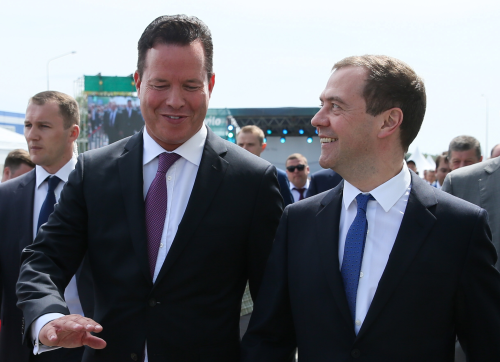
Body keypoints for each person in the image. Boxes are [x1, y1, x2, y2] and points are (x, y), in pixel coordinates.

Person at [16, 15, 282, 362]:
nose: (175, 101)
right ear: (138, 82)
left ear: (210, 84)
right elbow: (43, 259)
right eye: (160, 84)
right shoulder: (94, 172)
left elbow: (274, 308)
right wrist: (48, 318)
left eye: (190, 85)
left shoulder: (253, 181)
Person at [241, 55, 500, 361]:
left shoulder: (459, 227)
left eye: (335, 106)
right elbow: (268, 341)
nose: (317, 119)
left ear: (389, 121)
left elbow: (488, 346)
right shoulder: (299, 221)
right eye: (322, 103)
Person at [0, 91, 94, 362]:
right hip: (25, 348)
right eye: (28, 125)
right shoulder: (5, 199)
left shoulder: (102, 192)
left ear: (72, 133)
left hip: (92, 346)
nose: (32, 135)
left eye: (44, 126)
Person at [237, 125, 294, 207]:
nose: (244, 148)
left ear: (262, 147)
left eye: (250, 144)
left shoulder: (278, 177)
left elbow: (287, 213)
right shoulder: (226, 175)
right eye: (241, 144)